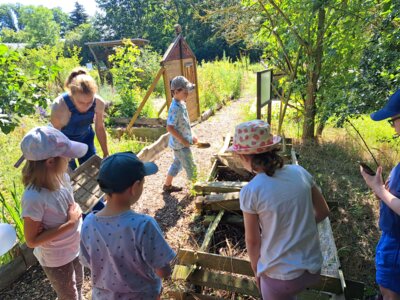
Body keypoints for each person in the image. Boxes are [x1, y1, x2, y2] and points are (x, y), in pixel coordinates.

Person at [227, 120, 330, 300]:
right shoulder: (300, 172)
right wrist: (299, 228)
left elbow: (252, 241)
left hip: (280, 277)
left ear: (243, 157)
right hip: (312, 269)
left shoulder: (251, 191)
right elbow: (323, 211)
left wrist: (257, 271)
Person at [80, 152, 176, 299]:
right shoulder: (144, 225)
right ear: (135, 187)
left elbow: (87, 261)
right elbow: (163, 271)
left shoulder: (88, 223)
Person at [20, 126, 87, 300]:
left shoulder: (61, 177)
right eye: (66, 156)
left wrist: (75, 217)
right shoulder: (34, 197)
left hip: (74, 246)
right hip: (56, 258)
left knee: (78, 283)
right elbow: (32, 240)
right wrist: (70, 224)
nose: (69, 159)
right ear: (50, 162)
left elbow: (68, 205)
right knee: (68, 294)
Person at [360, 89, 400, 300]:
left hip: (397, 246)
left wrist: (379, 190)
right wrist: (384, 191)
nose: (393, 126)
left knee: (390, 293)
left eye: (393, 119)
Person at [51, 67, 109, 171]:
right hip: (64, 141)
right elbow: (56, 137)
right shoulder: (59, 106)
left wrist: (106, 154)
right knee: (68, 173)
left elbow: (100, 128)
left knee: (91, 170)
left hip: (85, 138)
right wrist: (62, 160)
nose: (86, 107)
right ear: (72, 95)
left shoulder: (99, 103)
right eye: (81, 103)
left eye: (89, 102)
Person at [163, 76, 198, 193]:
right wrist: (184, 140)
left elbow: (185, 123)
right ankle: (197, 189)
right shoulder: (175, 108)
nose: (187, 93)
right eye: (185, 91)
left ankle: (167, 185)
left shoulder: (182, 103)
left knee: (177, 164)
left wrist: (192, 134)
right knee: (191, 166)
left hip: (180, 144)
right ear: (176, 92)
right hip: (181, 145)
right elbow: (169, 127)